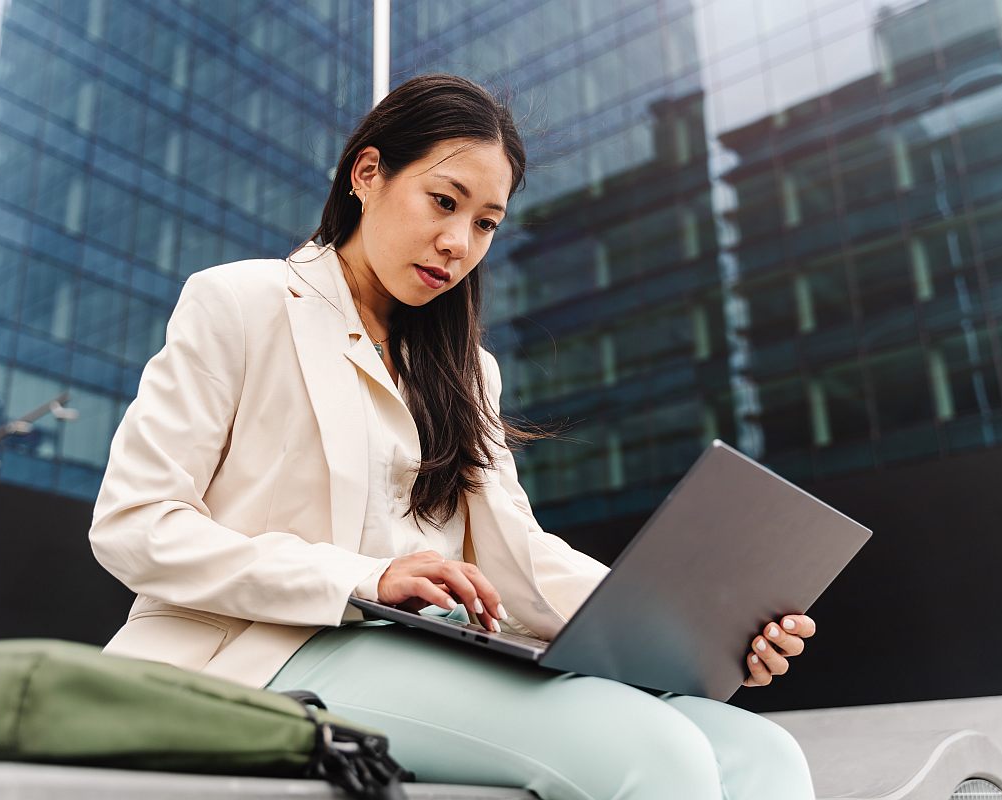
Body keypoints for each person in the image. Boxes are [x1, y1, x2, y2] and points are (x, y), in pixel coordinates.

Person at [89, 73, 816, 800]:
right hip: (266, 648)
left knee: (762, 751)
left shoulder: (467, 370)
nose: (457, 243)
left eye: (486, 223)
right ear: (367, 174)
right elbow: (135, 524)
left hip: (426, 651)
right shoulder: (240, 304)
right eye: (444, 202)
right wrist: (363, 579)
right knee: (653, 753)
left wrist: (696, 628)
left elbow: (517, 554)